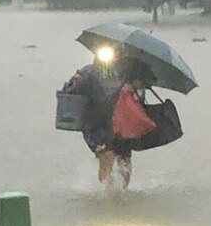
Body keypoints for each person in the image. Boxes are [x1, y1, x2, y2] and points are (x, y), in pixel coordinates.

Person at [64, 56, 157, 188]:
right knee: (106, 156)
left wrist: (135, 84)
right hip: (95, 123)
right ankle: (107, 196)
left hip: (121, 123)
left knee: (124, 160)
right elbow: (70, 89)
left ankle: (123, 191)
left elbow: (146, 84)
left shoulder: (129, 72)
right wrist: (75, 82)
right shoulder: (88, 73)